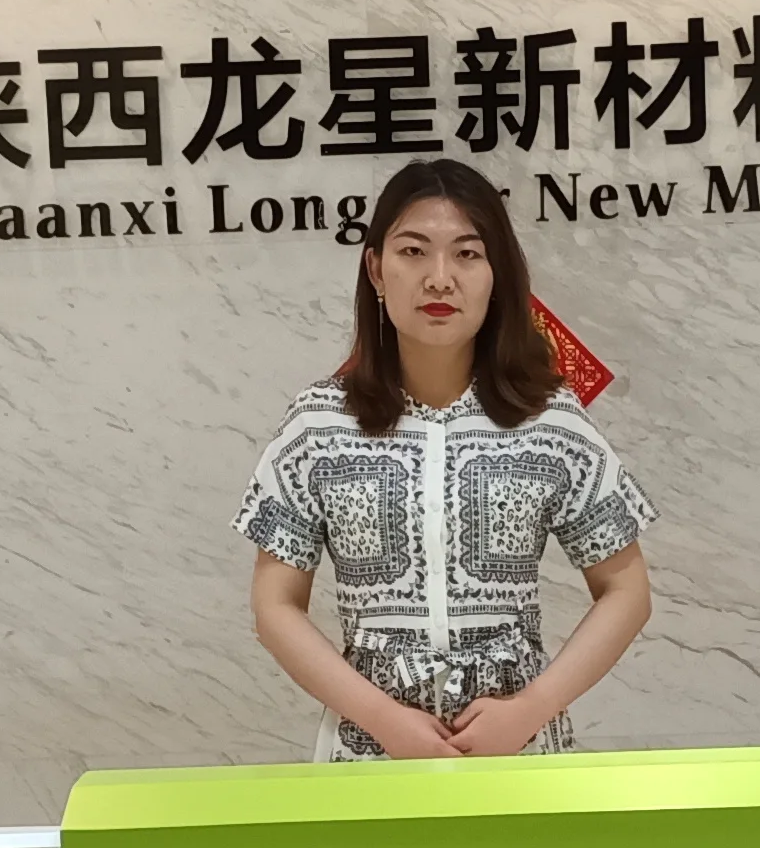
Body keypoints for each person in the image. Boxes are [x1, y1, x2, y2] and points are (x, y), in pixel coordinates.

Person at [238, 160, 657, 761]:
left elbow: (627, 590)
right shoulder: (318, 424)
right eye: (413, 251)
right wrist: (383, 719)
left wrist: (531, 708)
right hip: (370, 756)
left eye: (466, 254)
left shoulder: (550, 421)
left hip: (518, 754)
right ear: (376, 269)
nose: (439, 279)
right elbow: (274, 606)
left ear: (496, 274)